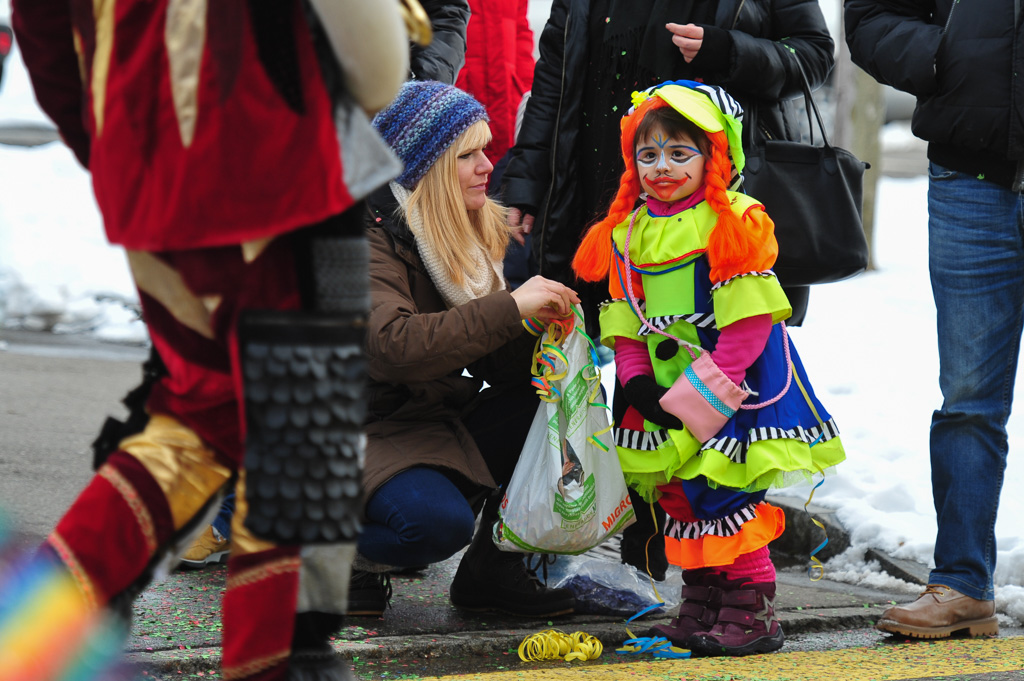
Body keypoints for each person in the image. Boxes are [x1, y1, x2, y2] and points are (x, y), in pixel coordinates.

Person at [11, 1, 408, 678]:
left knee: (200, 421)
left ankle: (36, 620)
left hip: (148, 175)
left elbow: (43, 32)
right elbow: (376, 66)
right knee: (301, 429)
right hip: (280, 167)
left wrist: (122, 150)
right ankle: (276, 657)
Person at [501, 0, 835, 583]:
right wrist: (528, 179)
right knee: (611, 397)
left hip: (710, 215)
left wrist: (729, 52)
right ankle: (555, 561)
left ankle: (723, 592)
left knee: (712, 455)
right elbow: (553, 78)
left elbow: (812, 57)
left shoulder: (736, 218)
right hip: (607, 208)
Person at [572, 80, 846, 656]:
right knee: (679, 494)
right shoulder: (627, 231)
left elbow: (747, 331)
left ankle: (751, 606)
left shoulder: (735, 222)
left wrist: (701, 402)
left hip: (734, 387)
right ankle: (702, 600)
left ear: (715, 156)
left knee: (726, 491)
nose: (661, 167)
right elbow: (625, 319)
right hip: (665, 390)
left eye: (679, 152)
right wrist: (640, 386)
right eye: (647, 155)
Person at [346, 80, 581, 619]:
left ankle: (491, 573)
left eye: (486, 150)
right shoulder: (361, 236)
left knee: (545, 396)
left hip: (422, 418)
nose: (486, 166)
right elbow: (392, 347)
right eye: (468, 155)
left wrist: (546, 333)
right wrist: (510, 309)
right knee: (435, 527)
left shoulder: (458, 227)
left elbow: (493, 364)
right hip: (356, 428)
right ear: (423, 167)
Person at [845, 0, 1017, 641]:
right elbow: (867, 17)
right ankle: (963, 586)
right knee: (969, 397)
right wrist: (949, 52)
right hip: (971, 176)